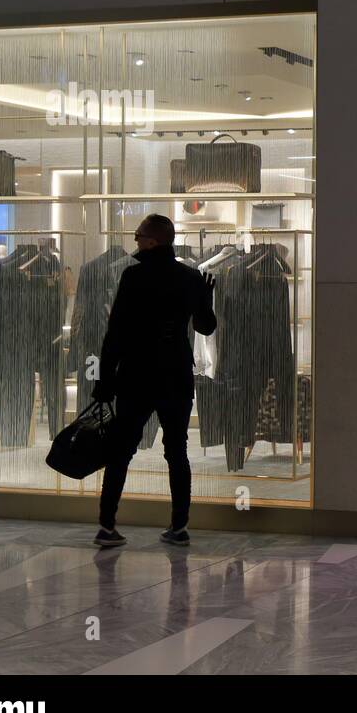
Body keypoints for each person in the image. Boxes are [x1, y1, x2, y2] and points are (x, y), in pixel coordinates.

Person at [91, 214, 216, 547]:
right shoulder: (191, 278)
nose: (135, 240)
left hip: (137, 374)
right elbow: (206, 327)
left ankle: (107, 525)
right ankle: (179, 526)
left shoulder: (134, 276)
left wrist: (105, 378)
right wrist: (205, 299)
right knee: (177, 451)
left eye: (139, 235)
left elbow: (115, 333)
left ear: (153, 240)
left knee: (121, 450)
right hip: (175, 374)